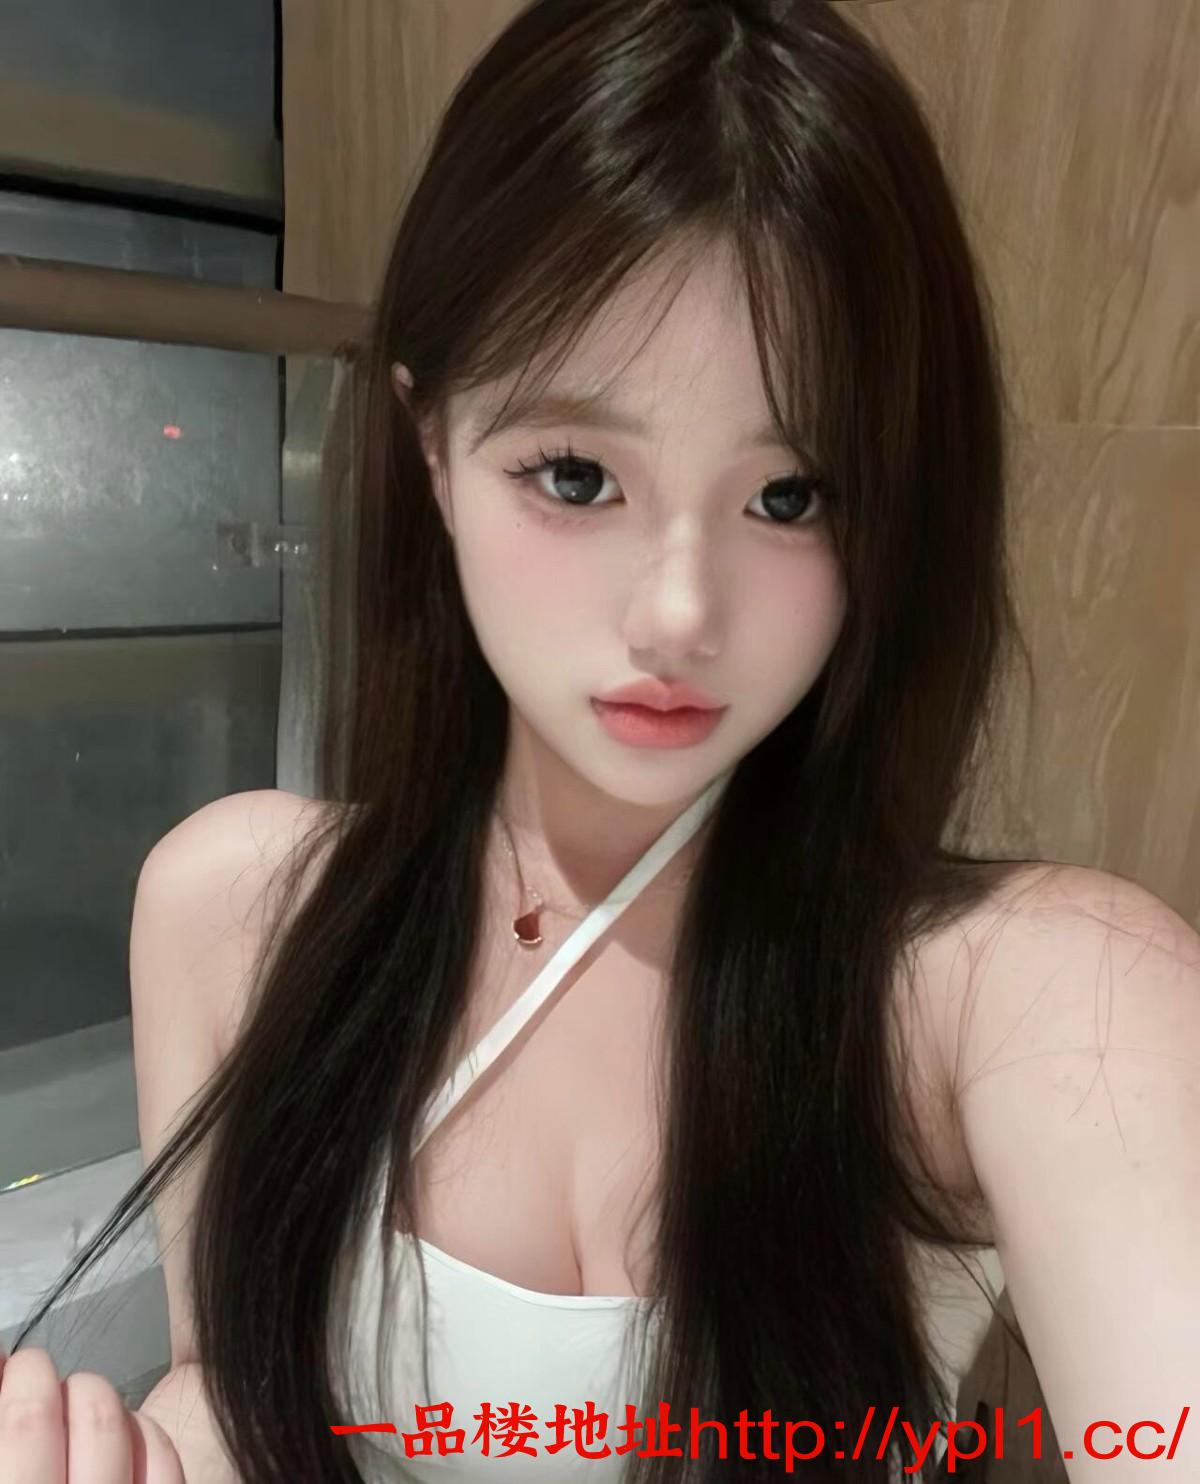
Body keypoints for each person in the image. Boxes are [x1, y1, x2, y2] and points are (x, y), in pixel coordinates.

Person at [4, 0, 1197, 1480]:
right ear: (430, 446)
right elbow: (231, 1395)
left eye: (790, 496)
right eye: (576, 475)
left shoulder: (1024, 990)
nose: (680, 613)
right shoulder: (240, 910)